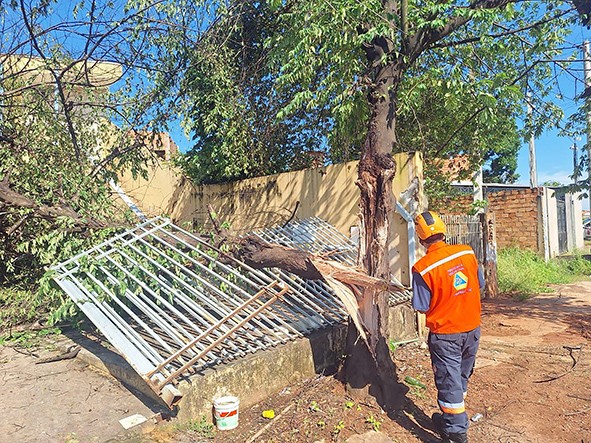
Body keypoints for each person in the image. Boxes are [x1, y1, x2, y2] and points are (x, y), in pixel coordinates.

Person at [411, 211, 484, 443]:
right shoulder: (467, 252)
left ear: (420, 239)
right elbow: (479, 283)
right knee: (460, 376)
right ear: (444, 231)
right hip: (472, 329)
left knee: (449, 380)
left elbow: (422, 306)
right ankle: (451, 417)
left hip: (446, 335)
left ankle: (455, 433)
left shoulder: (422, 268)